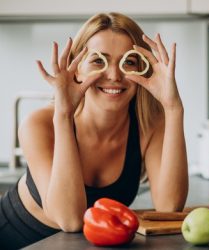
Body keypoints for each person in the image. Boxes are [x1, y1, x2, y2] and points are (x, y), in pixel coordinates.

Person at [0, 12, 188, 249]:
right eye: (99, 61)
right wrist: (64, 114)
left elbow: (169, 208)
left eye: (128, 62)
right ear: (76, 69)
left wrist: (173, 108)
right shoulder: (39, 124)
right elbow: (69, 220)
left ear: (142, 70)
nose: (114, 75)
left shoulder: (150, 124)